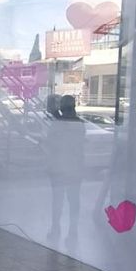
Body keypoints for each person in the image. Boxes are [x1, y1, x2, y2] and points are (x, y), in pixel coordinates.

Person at [46, 95, 85, 248]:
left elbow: (52, 143)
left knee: (57, 200)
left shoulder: (58, 125)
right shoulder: (80, 124)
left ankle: (56, 228)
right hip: (75, 168)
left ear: (62, 107)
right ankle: (73, 231)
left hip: (59, 168)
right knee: (74, 201)